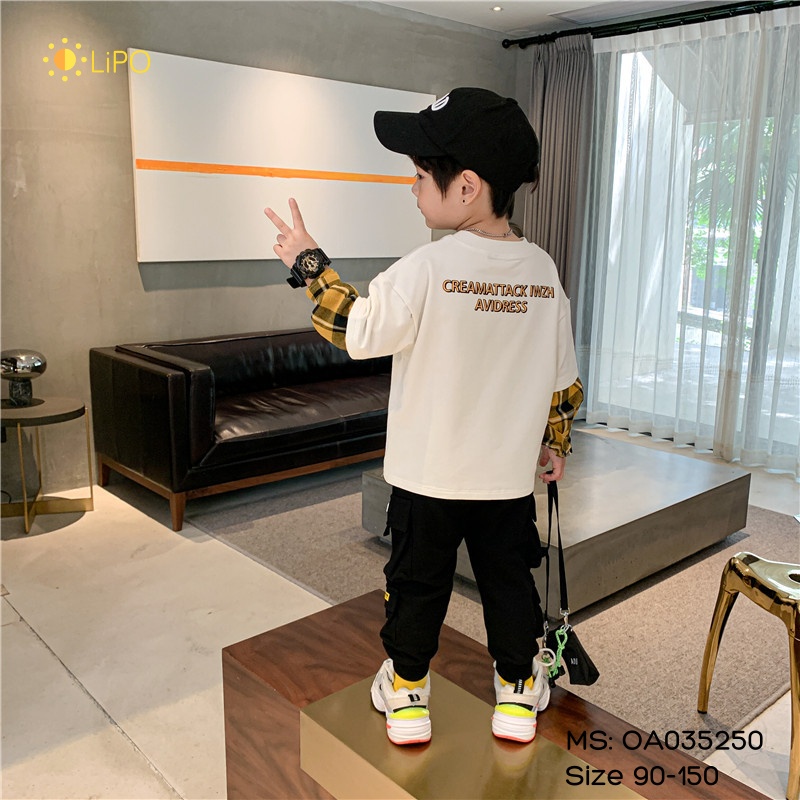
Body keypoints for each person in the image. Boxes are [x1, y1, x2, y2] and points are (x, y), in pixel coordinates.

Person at [264, 87, 583, 747]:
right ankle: (517, 691)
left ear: (465, 186)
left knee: (417, 585)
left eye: (418, 175)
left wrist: (308, 263)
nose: (410, 188)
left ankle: (408, 694)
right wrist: (554, 446)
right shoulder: (542, 273)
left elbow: (354, 328)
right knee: (508, 584)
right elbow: (563, 384)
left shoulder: (426, 269)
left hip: (425, 480)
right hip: (504, 483)